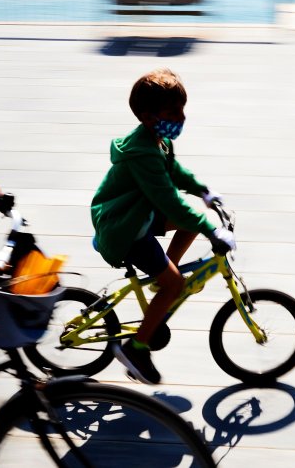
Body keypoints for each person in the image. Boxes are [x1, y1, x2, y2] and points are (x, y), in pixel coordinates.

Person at [90, 68, 234, 385]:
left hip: (134, 215)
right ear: (148, 116)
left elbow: (175, 170)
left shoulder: (158, 140)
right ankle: (136, 349)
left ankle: (161, 280)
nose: (181, 118)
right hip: (125, 229)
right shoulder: (142, 152)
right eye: (173, 112)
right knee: (176, 285)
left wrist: (203, 191)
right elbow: (169, 201)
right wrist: (213, 230)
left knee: (190, 224)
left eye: (182, 110)